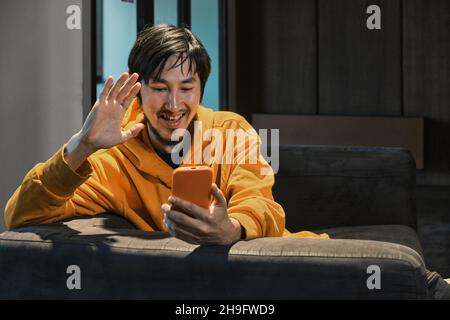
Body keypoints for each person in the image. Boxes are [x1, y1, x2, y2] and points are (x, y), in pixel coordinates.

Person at [4, 24, 328, 246]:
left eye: (187, 88)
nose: (174, 105)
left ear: (201, 88)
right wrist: (81, 146)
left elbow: (262, 205)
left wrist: (229, 229)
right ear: (138, 89)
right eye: (159, 88)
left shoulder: (231, 130)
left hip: (272, 268)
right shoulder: (112, 157)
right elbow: (21, 214)